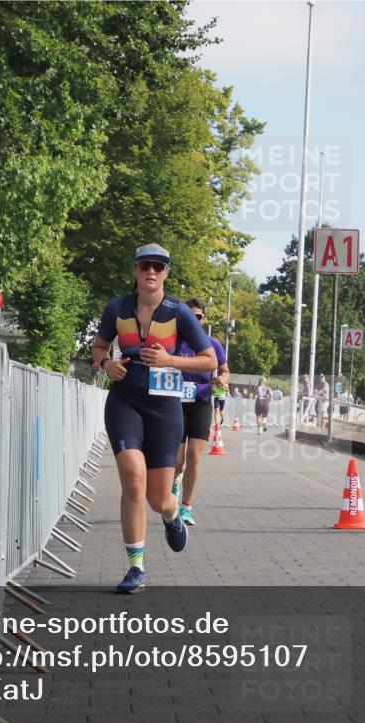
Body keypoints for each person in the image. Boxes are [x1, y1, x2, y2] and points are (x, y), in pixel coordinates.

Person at [92, 244, 218, 593]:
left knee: (158, 497)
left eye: (159, 267)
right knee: (133, 480)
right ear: (135, 269)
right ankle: (136, 568)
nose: (152, 271)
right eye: (146, 265)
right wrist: (107, 364)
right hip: (125, 402)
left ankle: (171, 513)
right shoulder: (117, 308)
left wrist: (171, 361)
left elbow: (209, 361)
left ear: (166, 273)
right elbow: (99, 347)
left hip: (164, 408)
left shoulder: (180, 313)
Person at [172, 299, 229, 527]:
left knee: (194, 456)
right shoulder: (174, 344)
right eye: (189, 316)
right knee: (177, 462)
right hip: (175, 405)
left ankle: (186, 508)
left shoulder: (212, 344)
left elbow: (225, 371)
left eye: (198, 317)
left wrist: (222, 380)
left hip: (201, 403)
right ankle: (175, 482)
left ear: (203, 320)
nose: (193, 320)